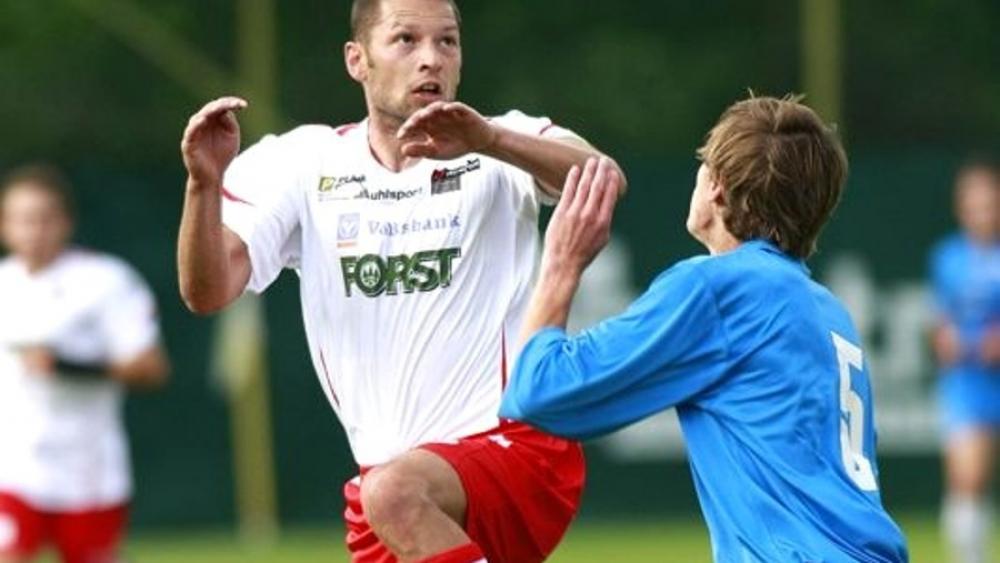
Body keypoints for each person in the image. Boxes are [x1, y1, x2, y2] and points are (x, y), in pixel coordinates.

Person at [176, 0, 625, 561]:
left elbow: (604, 177)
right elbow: (208, 290)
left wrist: (490, 142)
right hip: (392, 487)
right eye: (406, 40)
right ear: (357, 60)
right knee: (388, 491)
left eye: (448, 42)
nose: (431, 60)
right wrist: (203, 185)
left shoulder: (498, 140)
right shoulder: (302, 162)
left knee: (392, 492)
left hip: (513, 444)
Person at [499, 96, 910, 562]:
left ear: (716, 187)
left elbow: (540, 390)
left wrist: (560, 263)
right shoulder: (828, 309)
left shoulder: (720, 287)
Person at [0, 164, 170, 563]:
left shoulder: (105, 281)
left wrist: (71, 367)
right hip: (14, 467)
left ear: (66, 222)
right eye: (23, 220)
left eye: (44, 219)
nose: (34, 231)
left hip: (88, 470)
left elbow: (151, 367)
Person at [929, 158, 1000, 563]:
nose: (982, 213)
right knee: (967, 478)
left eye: (988, 203)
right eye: (975, 204)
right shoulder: (948, 258)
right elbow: (940, 319)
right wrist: (946, 339)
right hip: (968, 381)